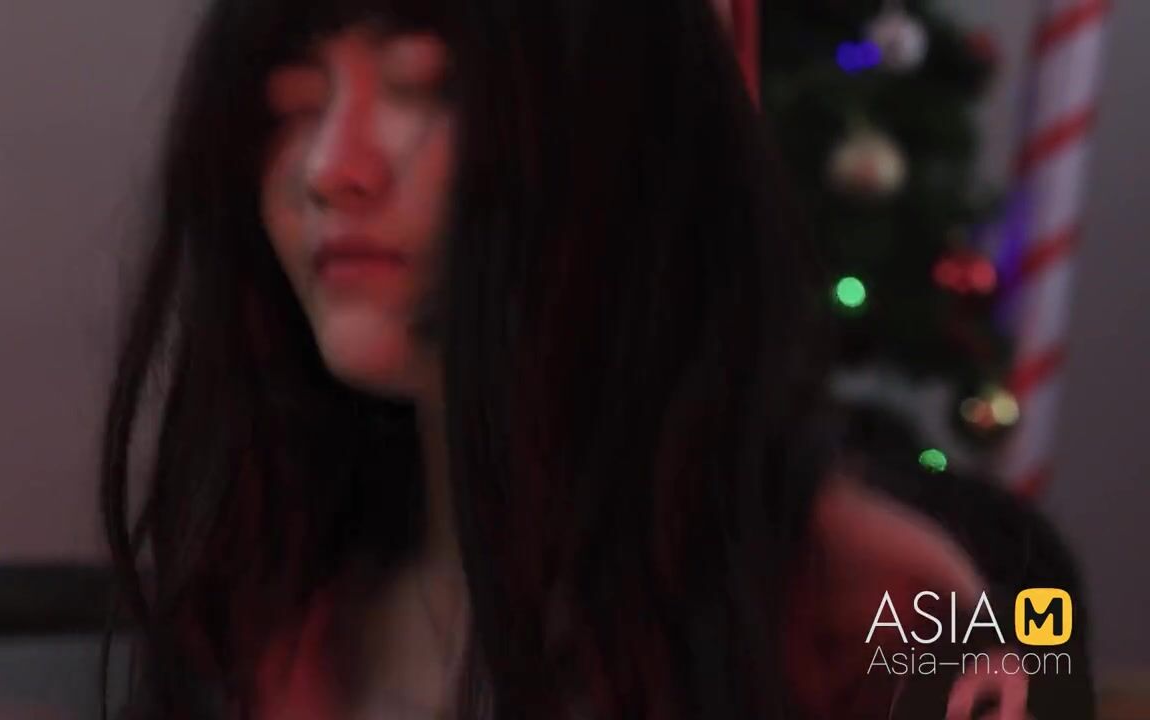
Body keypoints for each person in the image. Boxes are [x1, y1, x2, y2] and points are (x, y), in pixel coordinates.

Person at [99, 0, 1076, 718]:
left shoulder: (881, 611)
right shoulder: (261, 608)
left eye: (423, 89)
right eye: (292, 107)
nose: (331, 169)